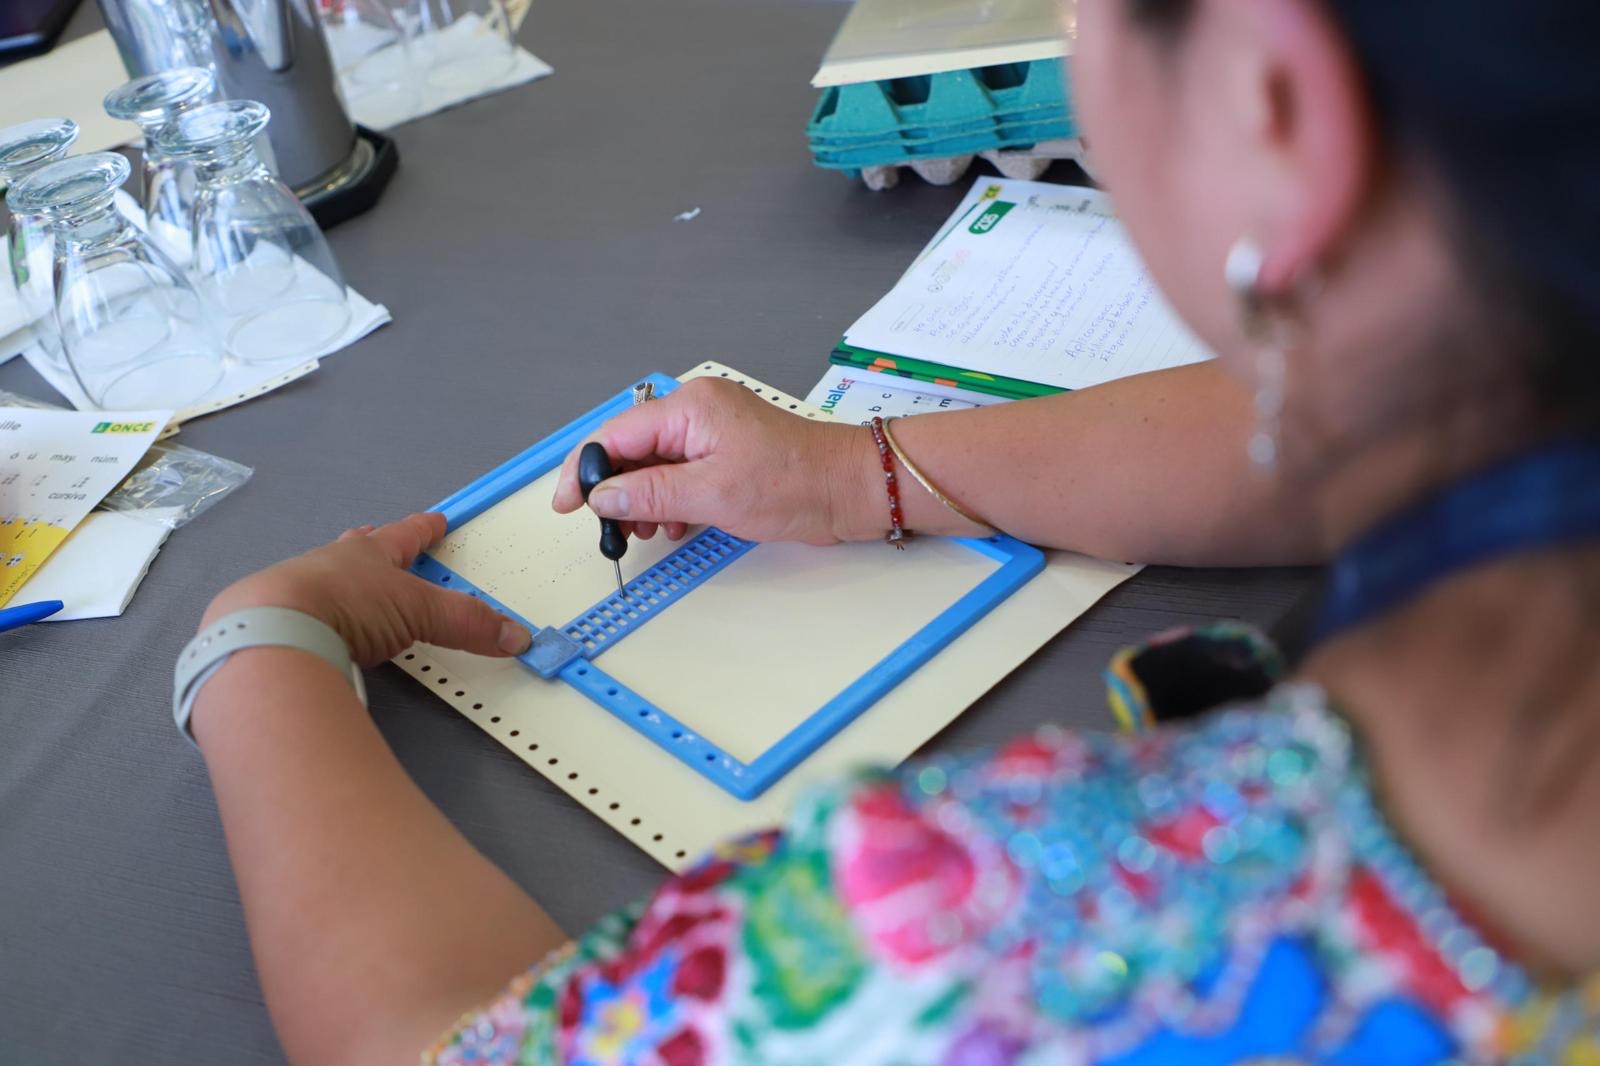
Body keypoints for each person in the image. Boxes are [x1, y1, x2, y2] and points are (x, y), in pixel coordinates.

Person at [181, 0, 1600, 1062]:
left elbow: (441, 1038)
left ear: (1272, 105)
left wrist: (262, 651)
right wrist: (862, 472)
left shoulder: (996, 934)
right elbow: (1408, 385)